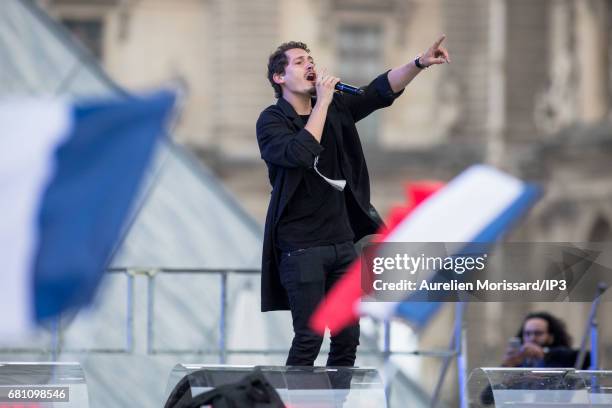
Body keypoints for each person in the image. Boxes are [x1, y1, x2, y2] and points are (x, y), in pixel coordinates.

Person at [256, 38, 450, 367]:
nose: (309, 65)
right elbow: (301, 153)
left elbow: (377, 92)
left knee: (347, 338)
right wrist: (322, 104)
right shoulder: (272, 121)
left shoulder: (334, 108)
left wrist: (418, 63)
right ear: (279, 77)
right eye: (300, 61)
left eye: (310, 59)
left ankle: (336, 401)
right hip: (301, 245)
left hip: (342, 242)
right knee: (308, 336)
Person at [502, 311, 589, 368]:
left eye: (538, 333)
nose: (532, 338)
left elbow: (588, 358)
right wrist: (508, 366)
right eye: (527, 333)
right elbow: (491, 393)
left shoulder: (563, 359)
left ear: (551, 336)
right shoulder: (518, 361)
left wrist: (544, 352)